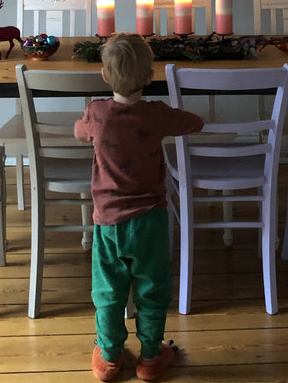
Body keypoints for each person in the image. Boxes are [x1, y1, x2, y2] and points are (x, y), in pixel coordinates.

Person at [74, 32, 204, 382]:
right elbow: (194, 123)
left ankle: (109, 357)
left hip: (108, 221)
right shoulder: (157, 115)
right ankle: (150, 356)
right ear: (149, 76)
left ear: (104, 75)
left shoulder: (96, 113)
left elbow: (79, 132)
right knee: (152, 287)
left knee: (108, 290)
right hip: (150, 220)